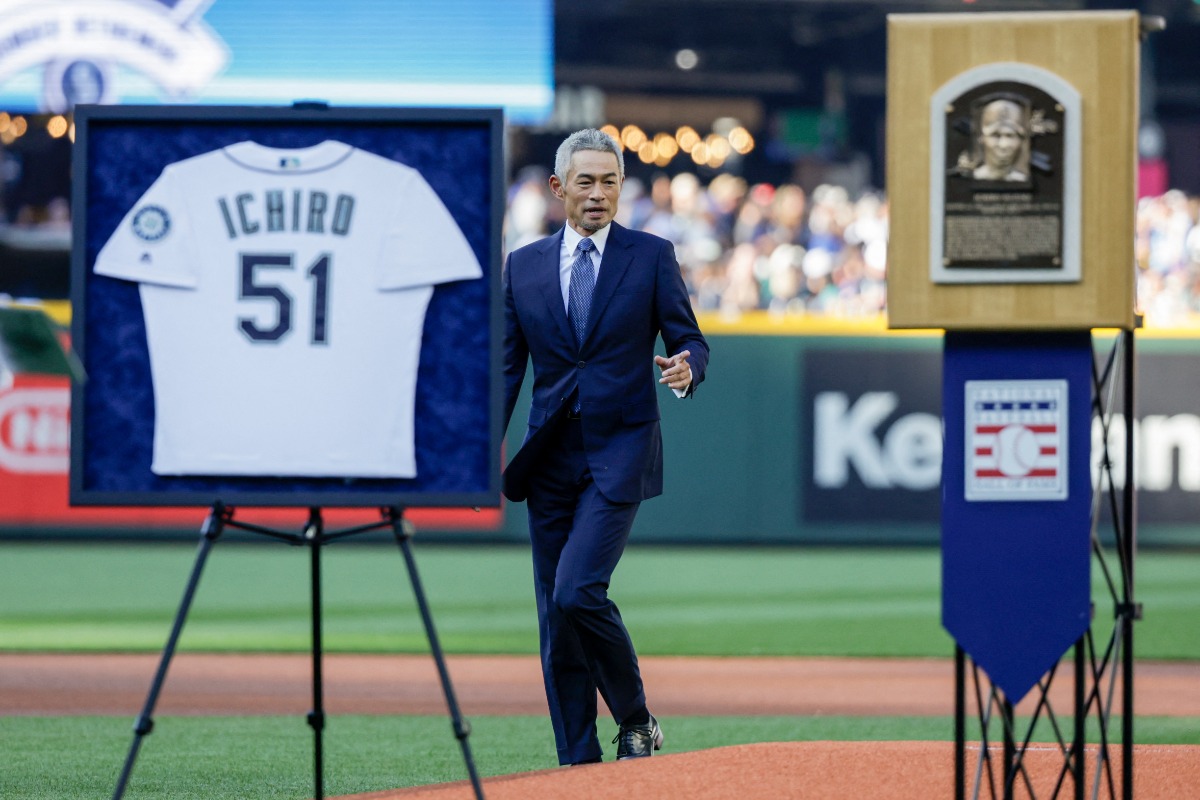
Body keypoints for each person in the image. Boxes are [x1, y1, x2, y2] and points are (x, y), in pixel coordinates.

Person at [501, 129, 709, 765]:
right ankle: (577, 763)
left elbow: (691, 340)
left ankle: (636, 716)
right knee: (555, 617)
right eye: (585, 182)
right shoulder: (524, 265)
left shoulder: (650, 255)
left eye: (610, 181)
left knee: (576, 591)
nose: (598, 193)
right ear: (558, 188)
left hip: (619, 452)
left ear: (622, 187)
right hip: (549, 460)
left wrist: (686, 368)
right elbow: (508, 371)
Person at [972, 98, 1029, 182]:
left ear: (1022, 140)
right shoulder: (974, 176)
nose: (1003, 145)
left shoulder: (1022, 178)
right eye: (995, 135)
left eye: (1010, 136)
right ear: (981, 138)